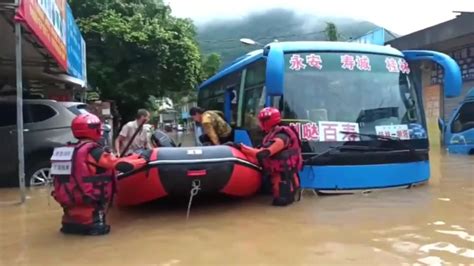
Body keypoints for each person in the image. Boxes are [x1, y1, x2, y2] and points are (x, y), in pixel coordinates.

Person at [50, 113, 118, 235]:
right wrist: (141, 159)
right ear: (95, 130)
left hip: (67, 222)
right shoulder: (94, 152)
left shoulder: (65, 152)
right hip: (92, 222)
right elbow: (117, 164)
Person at [232, 107, 303, 206]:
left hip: (284, 183)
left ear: (268, 121)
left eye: (262, 121)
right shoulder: (274, 133)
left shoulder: (282, 137)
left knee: (279, 204)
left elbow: (263, 153)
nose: (260, 124)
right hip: (282, 179)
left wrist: (241, 147)